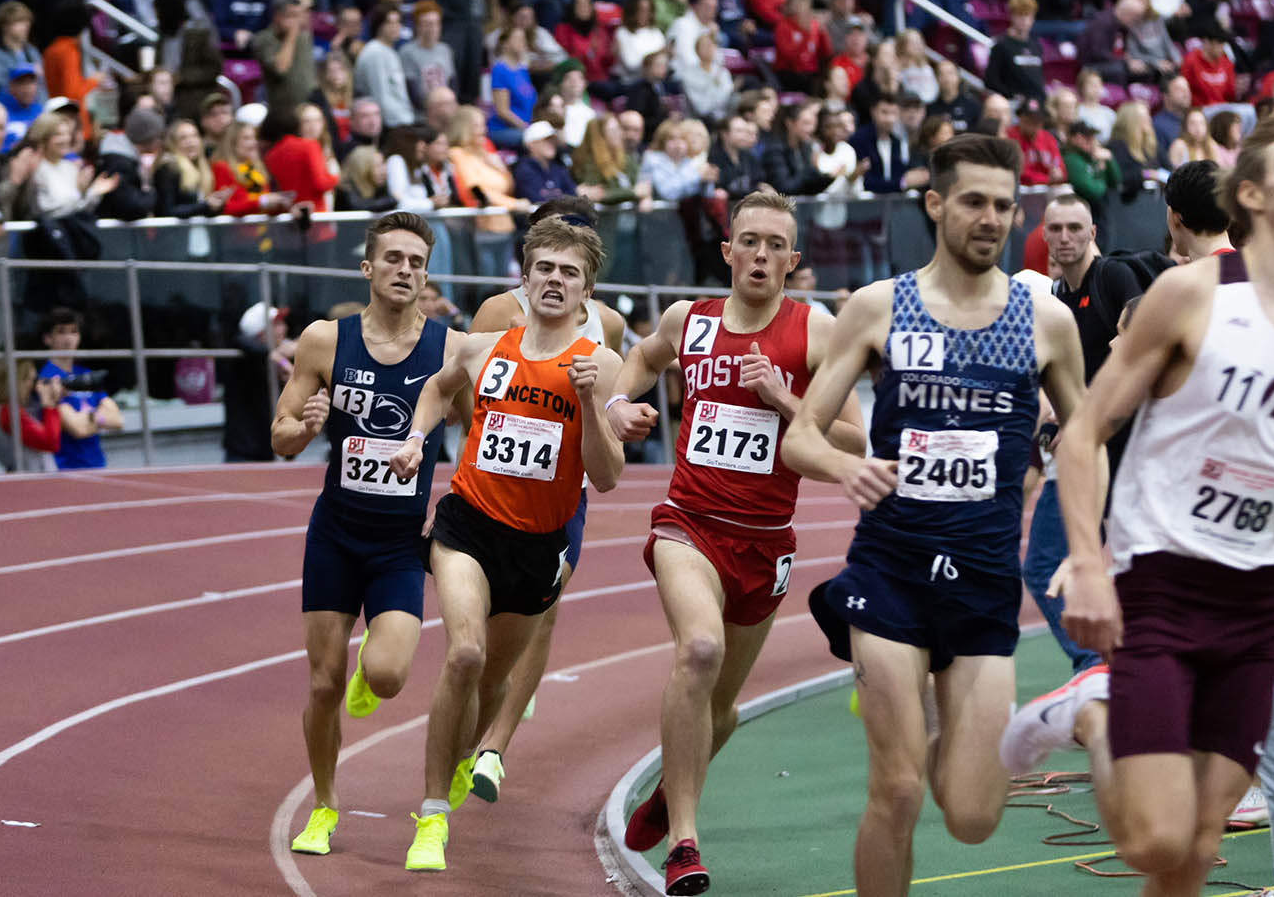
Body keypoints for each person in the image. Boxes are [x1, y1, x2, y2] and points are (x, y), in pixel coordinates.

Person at [1003, 113, 1274, 897]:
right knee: (1156, 839)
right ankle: (1092, 706)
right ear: (1249, 194)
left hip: (1257, 613)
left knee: (1192, 850)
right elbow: (1083, 434)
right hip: (1162, 590)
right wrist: (1086, 562)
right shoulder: (1188, 294)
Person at [782, 134, 1087, 897]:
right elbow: (799, 437)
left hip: (984, 580)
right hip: (891, 569)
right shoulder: (879, 306)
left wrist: (1089, 546)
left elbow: (1085, 439)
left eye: (1004, 205)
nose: (991, 218)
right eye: (974, 201)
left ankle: (955, 725)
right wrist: (846, 464)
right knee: (898, 787)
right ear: (936, 203)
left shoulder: (1044, 319)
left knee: (973, 814)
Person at [605, 192, 867, 893]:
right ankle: (686, 842)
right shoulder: (687, 321)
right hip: (687, 523)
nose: (758, 254)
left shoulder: (814, 330)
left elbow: (854, 437)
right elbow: (641, 360)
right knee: (698, 648)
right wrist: (618, 404)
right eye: (747, 241)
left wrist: (786, 402)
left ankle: (672, 789)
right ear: (726, 252)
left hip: (764, 542)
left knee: (720, 708)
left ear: (793, 259)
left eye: (773, 244)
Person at [397, 216, 624, 874]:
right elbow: (437, 390)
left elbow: (606, 477)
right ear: (525, 278)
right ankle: (432, 814)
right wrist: (416, 439)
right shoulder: (482, 346)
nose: (555, 280)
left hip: (537, 545)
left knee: (496, 681)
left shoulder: (600, 363)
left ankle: (464, 757)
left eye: (569, 272)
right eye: (545, 268)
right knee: (464, 653)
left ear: (587, 290)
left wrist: (588, 404)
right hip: (468, 523)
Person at [270, 213, 450, 858]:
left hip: (400, 542)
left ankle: (377, 645)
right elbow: (281, 435)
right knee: (322, 683)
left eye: (417, 262)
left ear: (427, 275)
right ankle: (323, 807)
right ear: (368, 268)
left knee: (389, 676)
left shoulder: (448, 348)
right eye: (394, 258)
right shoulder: (324, 341)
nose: (406, 270)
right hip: (336, 536)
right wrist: (306, 424)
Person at [1014, 192, 1147, 674]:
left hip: (1129, 452)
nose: (1065, 237)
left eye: (1075, 228)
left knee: (1052, 562)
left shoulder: (1111, 276)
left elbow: (1140, 351)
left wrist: (1086, 419)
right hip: (1091, 453)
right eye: (1056, 229)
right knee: (1055, 564)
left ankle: (1100, 668)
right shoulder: (1057, 298)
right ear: (1044, 236)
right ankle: (1100, 667)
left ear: (1094, 232)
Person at [39, 307, 123, 470]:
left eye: (74, 332)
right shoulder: (47, 378)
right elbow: (77, 429)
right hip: (66, 468)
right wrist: (99, 417)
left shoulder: (85, 373)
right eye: (61, 332)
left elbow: (118, 420)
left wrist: (90, 419)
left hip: (98, 464)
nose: (68, 338)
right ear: (48, 338)